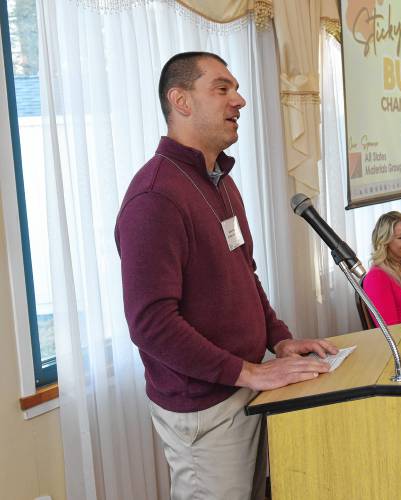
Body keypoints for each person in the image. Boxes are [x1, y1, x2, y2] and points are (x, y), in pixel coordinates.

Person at [115, 52, 337, 500]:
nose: (239, 100)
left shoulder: (219, 180)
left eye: (235, 88)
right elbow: (151, 325)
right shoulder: (155, 196)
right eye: (222, 89)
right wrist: (247, 371)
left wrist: (278, 339)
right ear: (180, 100)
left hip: (242, 387)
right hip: (205, 406)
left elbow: (244, 272)